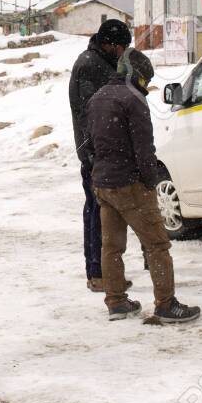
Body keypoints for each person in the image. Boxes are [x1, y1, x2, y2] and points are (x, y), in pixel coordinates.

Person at [86, 49, 200, 324]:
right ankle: (166, 304)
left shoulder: (97, 97)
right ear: (136, 75)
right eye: (145, 80)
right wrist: (150, 182)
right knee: (157, 245)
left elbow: (88, 144)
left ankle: (116, 302)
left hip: (103, 183)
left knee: (111, 247)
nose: (145, 88)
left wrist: (99, 172)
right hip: (130, 184)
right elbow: (144, 149)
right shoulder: (133, 100)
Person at [68, 18, 131, 293]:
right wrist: (94, 153)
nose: (124, 52)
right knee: (97, 212)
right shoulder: (90, 66)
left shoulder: (100, 61)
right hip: (95, 154)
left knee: (104, 213)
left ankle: (106, 273)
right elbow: (89, 115)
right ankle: (97, 273)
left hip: (102, 152)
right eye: (122, 47)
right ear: (110, 44)